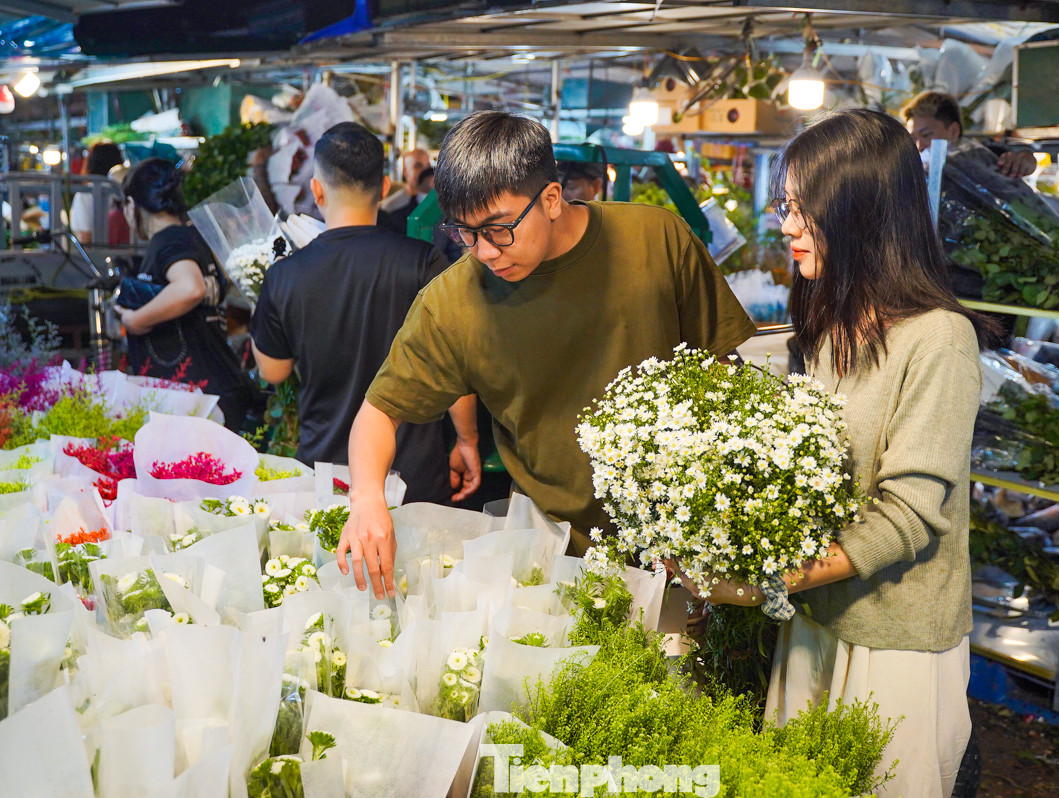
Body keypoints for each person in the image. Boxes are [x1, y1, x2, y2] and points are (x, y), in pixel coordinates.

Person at [679, 109, 996, 798]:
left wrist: (762, 584)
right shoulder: (827, 327)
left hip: (894, 643)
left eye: (804, 209)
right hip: (816, 620)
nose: (787, 225)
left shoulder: (938, 340)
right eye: (786, 206)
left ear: (860, 211)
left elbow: (907, 517)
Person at [339, 110, 756, 598]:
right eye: (465, 232)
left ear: (552, 199)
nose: (484, 252)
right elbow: (379, 412)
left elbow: (722, 372)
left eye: (498, 228)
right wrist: (366, 499)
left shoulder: (657, 240)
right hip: (550, 553)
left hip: (681, 542)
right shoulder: (452, 301)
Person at [250, 122, 477, 505]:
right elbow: (454, 365)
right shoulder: (422, 261)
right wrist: (467, 440)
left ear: (317, 190)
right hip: (413, 476)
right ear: (385, 188)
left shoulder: (285, 275)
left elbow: (273, 372)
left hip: (326, 478)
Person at [116, 158, 255, 429]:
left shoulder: (167, 240)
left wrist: (136, 320)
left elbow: (190, 288)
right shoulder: (194, 236)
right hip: (219, 382)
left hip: (197, 396)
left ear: (132, 206)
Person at [901, 90, 1036, 179]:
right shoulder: (915, 174)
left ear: (953, 131)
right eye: (913, 139)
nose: (919, 146)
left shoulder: (979, 155)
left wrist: (1022, 161)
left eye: (926, 135)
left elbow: (1024, 158)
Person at [70, 142, 125, 244]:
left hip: (95, 252)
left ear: (90, 163)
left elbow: (85, 237)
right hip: (127, 250)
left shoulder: (84, 194)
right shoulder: (124, 191)